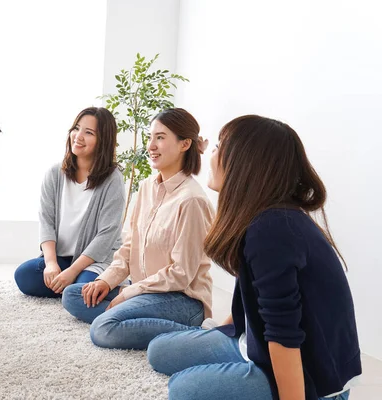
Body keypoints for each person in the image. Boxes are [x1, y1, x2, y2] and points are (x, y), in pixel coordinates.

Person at [147, 115, 361, 400]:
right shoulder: (264, 218)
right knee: (159, 351)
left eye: (219, 145)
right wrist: (226, 330)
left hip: (311, 377)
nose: (211, 153)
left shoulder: (272, 228)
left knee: (182, 389)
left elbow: (284, 336)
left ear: (244, 162)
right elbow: (255, 299)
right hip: (253, 343)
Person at [62, 108, 215, 350]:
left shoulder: (192, 201)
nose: (151, 146)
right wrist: (106, 281)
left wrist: (127, 294)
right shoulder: (145, 188)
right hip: (143, 291)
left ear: (185, 144)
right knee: (73, 295)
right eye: (150, 137)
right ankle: (130, 317)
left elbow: (180, 274)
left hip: (180, 299)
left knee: (103, 329)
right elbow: (128, 248)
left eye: (161, 138)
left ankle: (200, 333)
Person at [14, 107, 125, 298]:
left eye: (88, 133)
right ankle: (70, 285)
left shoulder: (112, 180)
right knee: (24, 276)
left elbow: (106, 235)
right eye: (76, 128)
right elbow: (46, 221)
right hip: (62, 258)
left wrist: (73, 272)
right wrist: (50, 263)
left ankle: (101, 285)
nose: (78, 136)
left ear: (103, 141)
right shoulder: (55, 174)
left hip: (95, 261)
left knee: (79, 293)